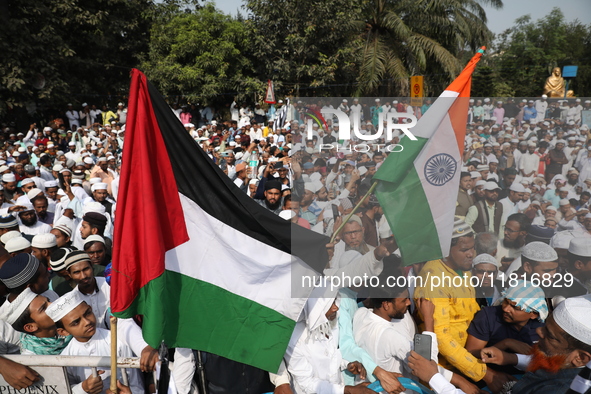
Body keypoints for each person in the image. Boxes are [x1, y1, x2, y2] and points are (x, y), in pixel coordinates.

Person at [414, 218, 514, 391]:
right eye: (464, 249)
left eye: (472, 247)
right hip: (445, 371)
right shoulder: (434, 280)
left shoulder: (463, 270)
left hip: (471, 358)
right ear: (446, 251)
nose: (471, 254)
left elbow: (470, 311)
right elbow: (442, 339)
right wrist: (485, 373)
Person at [465, 281, 547, 360]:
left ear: (534, 314)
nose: (506, 309)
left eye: (515, 308)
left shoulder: (541, 328)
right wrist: (506, 344)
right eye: (506, 302)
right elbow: (470, 355)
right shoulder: (488, 316)